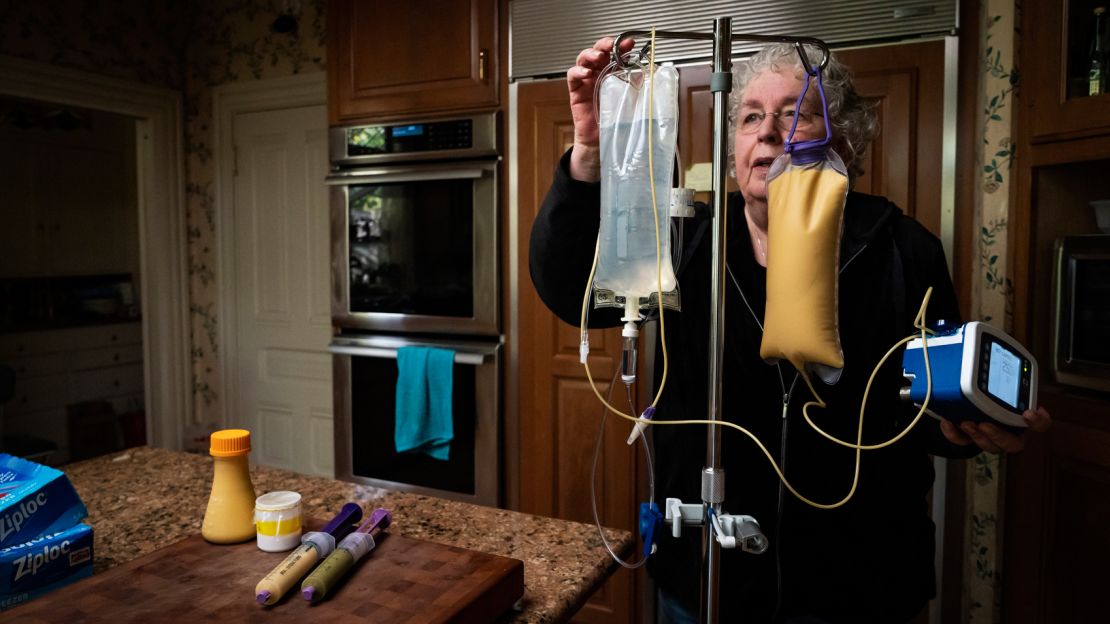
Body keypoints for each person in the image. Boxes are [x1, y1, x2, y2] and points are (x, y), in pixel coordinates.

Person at [529, 38, 1052, 623]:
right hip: (707, 579)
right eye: (751, 116)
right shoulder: (686, 243)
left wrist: (962, 430)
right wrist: (591, 152)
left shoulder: (904, 250)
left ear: (842, 139)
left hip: (861, 587)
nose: (769, 132)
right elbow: (571, 290)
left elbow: (927, 415)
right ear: (734, 146)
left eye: (794, 112)